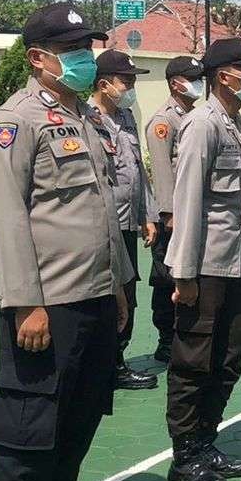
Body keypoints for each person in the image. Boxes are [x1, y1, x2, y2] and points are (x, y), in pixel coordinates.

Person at [0, 3, 132, 481]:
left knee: (81, 412)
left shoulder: (84, 120)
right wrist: (26, 303)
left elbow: (99, 211)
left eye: (86, 50)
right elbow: (8, 218)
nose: (84, 60)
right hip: (46, 302)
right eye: (72, 51)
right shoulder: (13, 123)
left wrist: (119, 284)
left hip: (92, 295)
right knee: (30, 422)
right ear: (39, 59)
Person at [164, 37, 241, 481]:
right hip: (203, 266)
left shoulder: (233, 122)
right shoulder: (202, 125)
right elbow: (187, 201)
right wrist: (184, 274)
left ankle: (206, 438)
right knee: (194, 361)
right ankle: (185, 453)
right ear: (225, 75)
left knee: (229, 355)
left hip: (230, 262)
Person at [90, 49, 159, 391]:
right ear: (104, 84)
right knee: (106, 296)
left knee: (128, 295)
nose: (131, 87)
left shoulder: (127, 116)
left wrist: (148, 215)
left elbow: (137, 172)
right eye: (126, 81)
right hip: (104, 226)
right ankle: (103, 365)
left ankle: (117, 361)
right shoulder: (88, 119)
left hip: (129, 222)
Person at [143, 57, 204, 363]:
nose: (199, 83)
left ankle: (185, 333)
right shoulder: (164, 121)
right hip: (173, 217)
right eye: (193, 78)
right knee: (166, 279)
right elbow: (163, 172)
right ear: (175, 83)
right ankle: (166, 340)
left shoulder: (196, 116)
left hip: (192, 212)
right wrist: (169, 215)